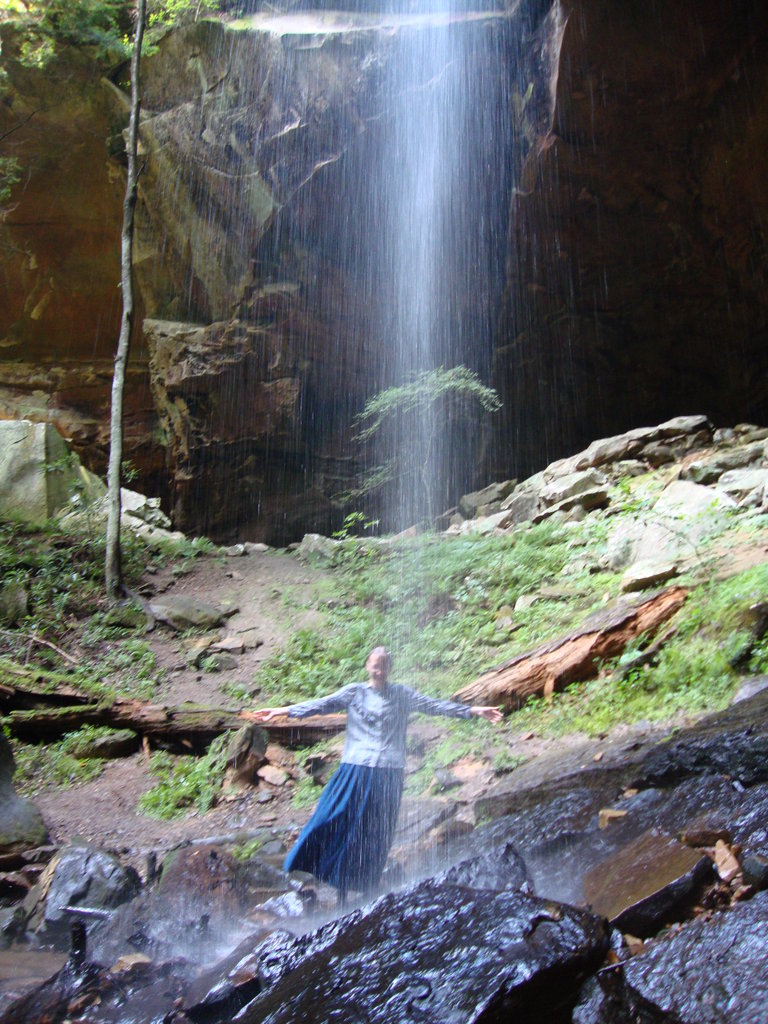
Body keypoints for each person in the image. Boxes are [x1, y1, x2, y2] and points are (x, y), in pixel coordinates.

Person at [244, 646, 502, 903]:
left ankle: (363, 888)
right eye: (376, 665)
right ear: (367, 666)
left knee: (374, 833)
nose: (379, 670)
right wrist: (283, 711)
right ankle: (316, 870)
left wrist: (472, 711)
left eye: (384, 665)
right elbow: (321, 705)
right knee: (330, 817)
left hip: (388, 773)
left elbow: (434, 706)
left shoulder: (402, 694)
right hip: (355, 768)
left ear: (390, 669)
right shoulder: (355, 692)